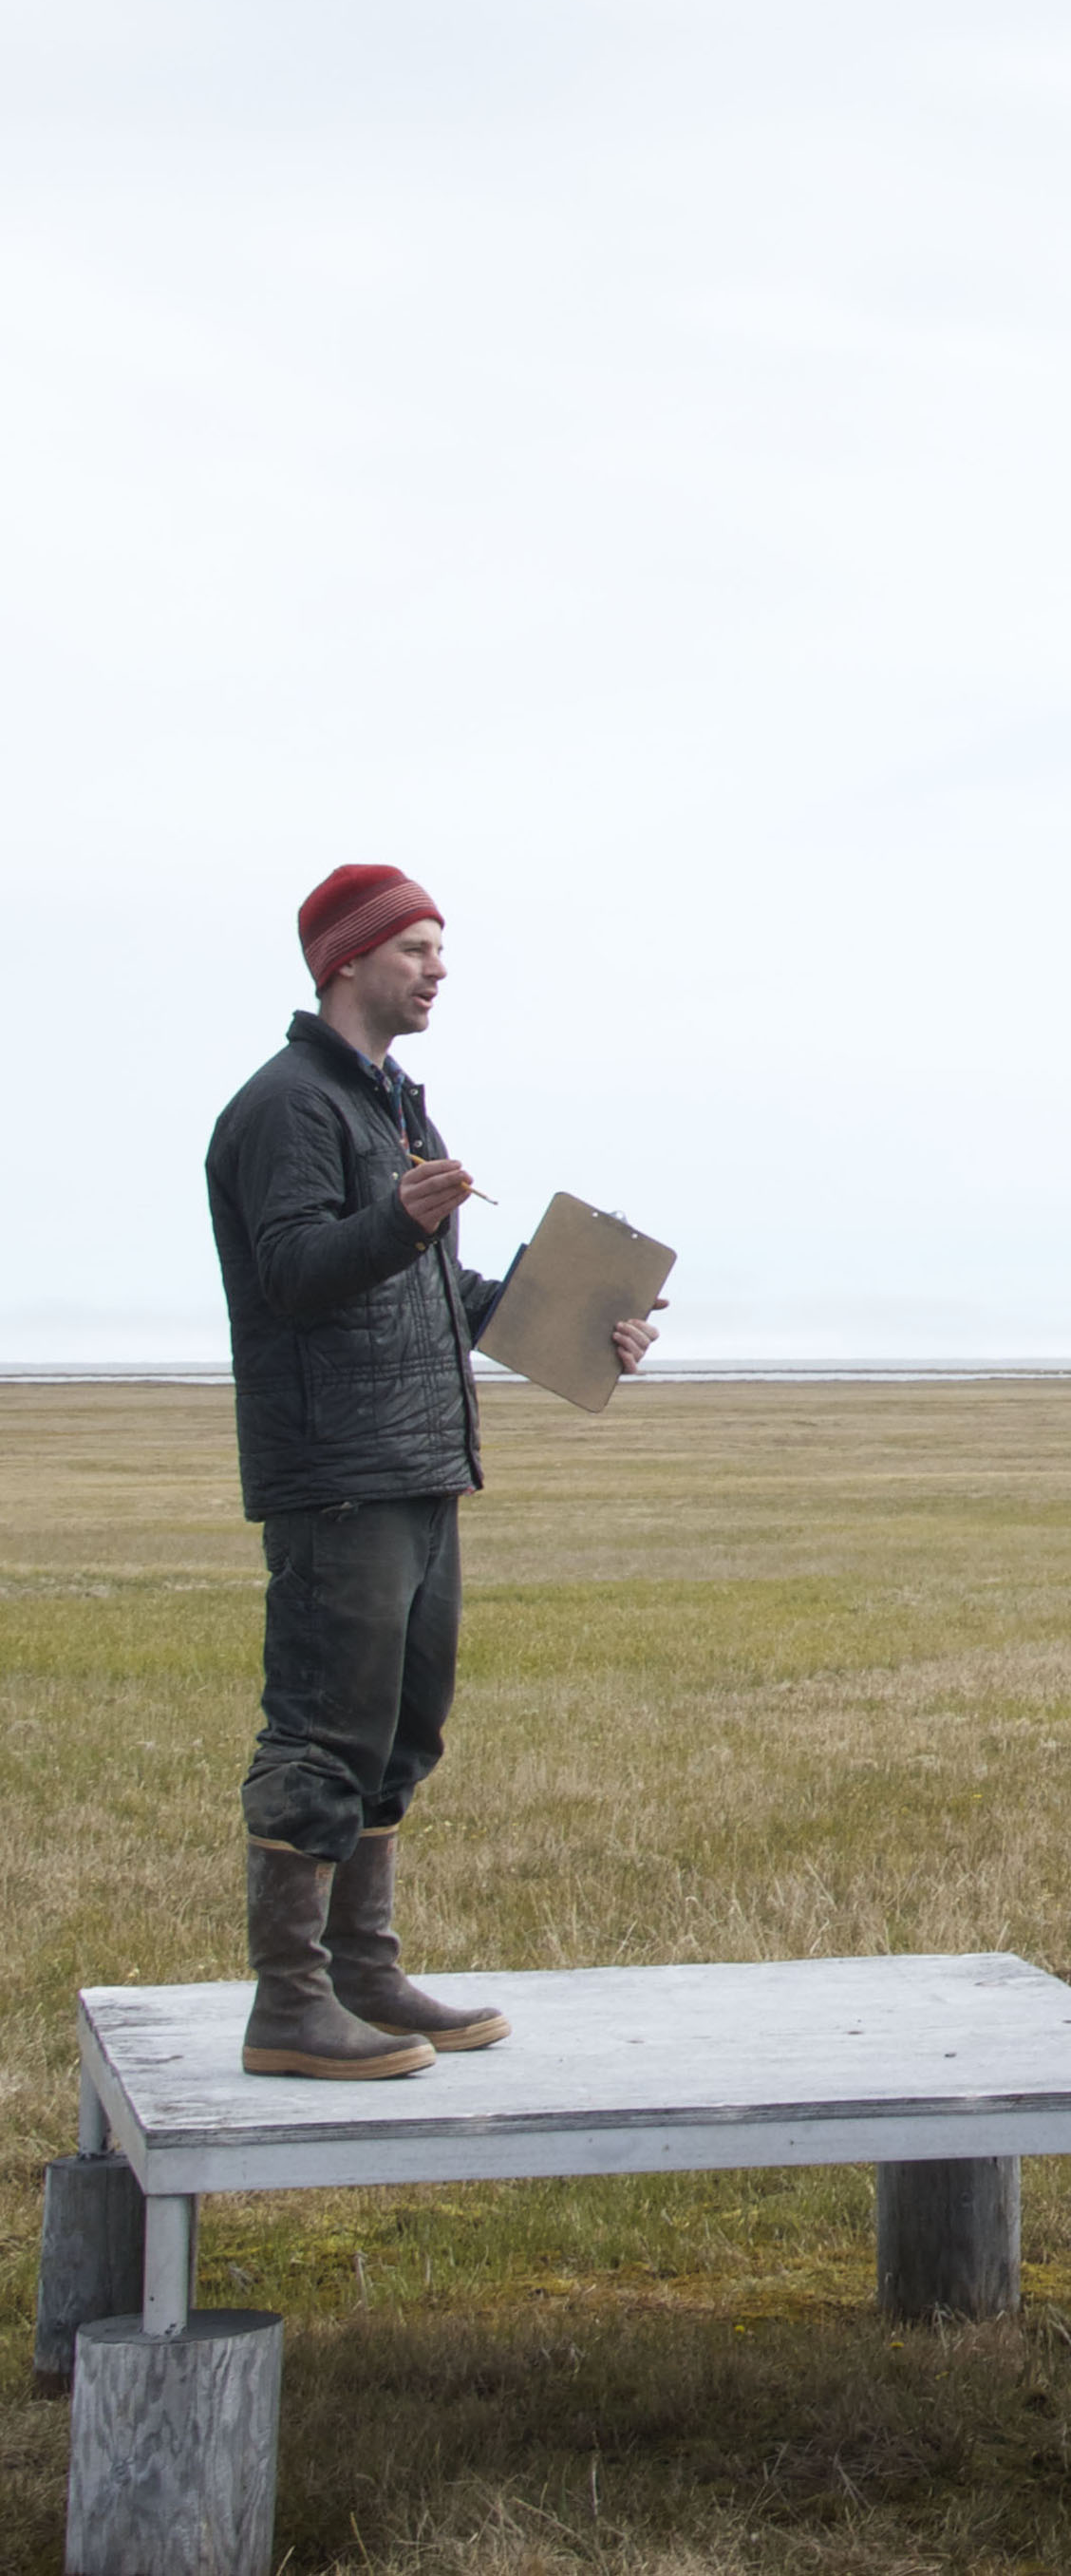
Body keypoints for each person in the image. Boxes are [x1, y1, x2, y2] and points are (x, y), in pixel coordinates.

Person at [206, 868, 660, 2081]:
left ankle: (365, 1976)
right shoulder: (288, 1109)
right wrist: (402, 1221)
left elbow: (432, 1289)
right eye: (414, 946)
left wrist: (574, 1320)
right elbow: (295, 1272)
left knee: (403, 1730)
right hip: (337, 1472)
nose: (437, 967)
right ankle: (289, 2005)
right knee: (322, 1733)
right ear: (345, 961)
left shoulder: (399, 1107)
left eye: (440, 948)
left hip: (420, 1464)